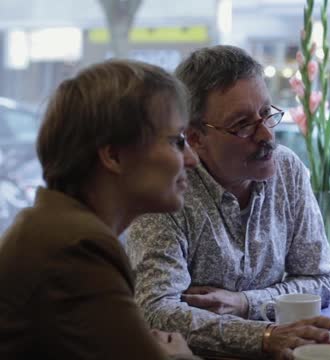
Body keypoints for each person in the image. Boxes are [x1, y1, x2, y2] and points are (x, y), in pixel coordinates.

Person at [125, 45, 330, 358]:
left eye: (266, 114)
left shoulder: (287, 169)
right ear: (195, 137)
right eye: (242, 124)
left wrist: (246, 303)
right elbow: (156, 311)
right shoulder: (166, 190)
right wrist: (264, 336)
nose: (266, 135)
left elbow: (322, 278)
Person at [0, 60, 201, 359]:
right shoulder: (76, 247)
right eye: (177, 141)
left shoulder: (52, 226)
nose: (192, 159)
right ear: (113, 155)